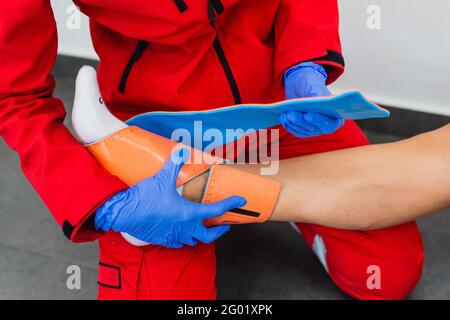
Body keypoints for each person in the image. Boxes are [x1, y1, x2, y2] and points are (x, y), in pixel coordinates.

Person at [0, 1, 423, 299]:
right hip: (159, 140)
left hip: (275, 112)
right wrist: (106, 203)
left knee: (384, 277)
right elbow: (15, 98)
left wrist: (305, 61)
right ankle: (256, 194)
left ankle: (278, 199)